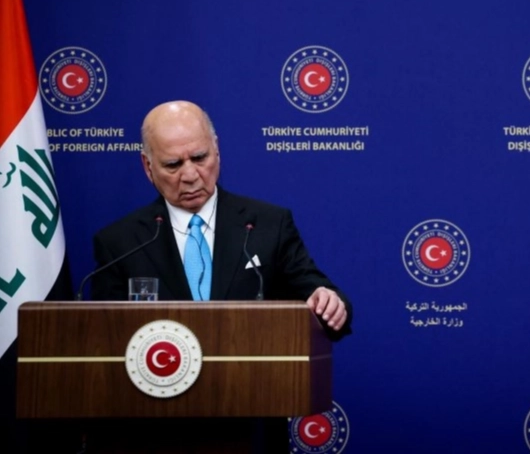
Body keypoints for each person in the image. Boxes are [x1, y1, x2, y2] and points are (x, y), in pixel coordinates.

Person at [91, 100, 351, 337]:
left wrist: (329, 302)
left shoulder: (269, 225)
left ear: (216, 150)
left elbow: (321, 298)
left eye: (199, 158)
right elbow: (104, 338)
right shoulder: (120, 244)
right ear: (148, 167)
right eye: (173, 164)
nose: (190, 175)